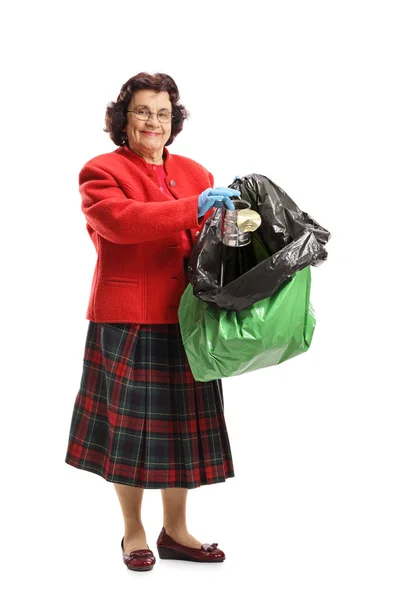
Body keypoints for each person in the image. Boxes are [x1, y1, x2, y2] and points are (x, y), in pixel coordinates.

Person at [64, 72, 240, 572]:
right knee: (129, 432)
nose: (153, 122)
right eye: (143, 111)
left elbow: (213, 246)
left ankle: (178, 531)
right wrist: (193, 208)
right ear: (124, 118)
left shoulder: (197, 172)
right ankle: (134, 531)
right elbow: (120, 222)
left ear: (174, 120)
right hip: (130, 320)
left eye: (163, 113)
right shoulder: (101, 170)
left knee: (181, 430)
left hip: (188, 318)